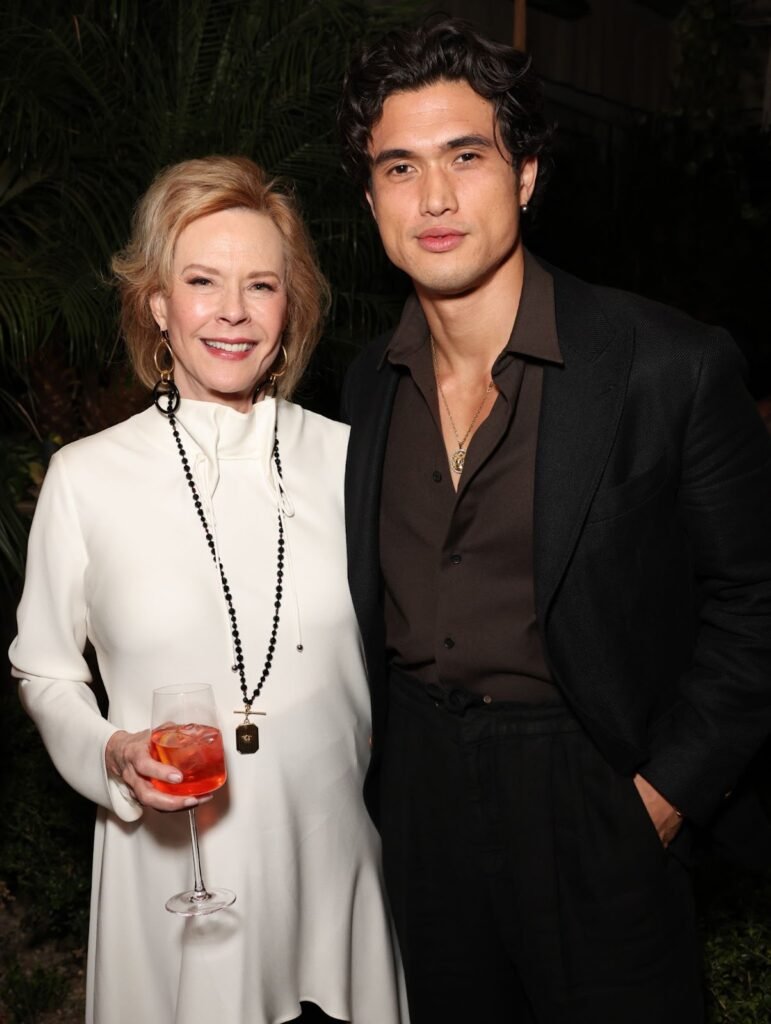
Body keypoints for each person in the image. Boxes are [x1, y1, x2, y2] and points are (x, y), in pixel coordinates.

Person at [337, 18, 771, 1024]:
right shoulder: (365, 384)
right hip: (418, 797)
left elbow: (757, 600)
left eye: (466, 157)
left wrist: (662, 793)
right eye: (399, 167)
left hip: (593, 786)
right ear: (369, 198)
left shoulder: (665, 366)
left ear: (525, 175)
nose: (434, 197)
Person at [9, 156, 407, 1024]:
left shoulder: (352, 463)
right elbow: (43, 669)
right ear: (157, 304)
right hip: (171, 883)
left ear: (288, 308)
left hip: (331, 865)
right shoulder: (87, 478)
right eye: (201, 281)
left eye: (261, 285)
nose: (232, 312)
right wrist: (111, 753)